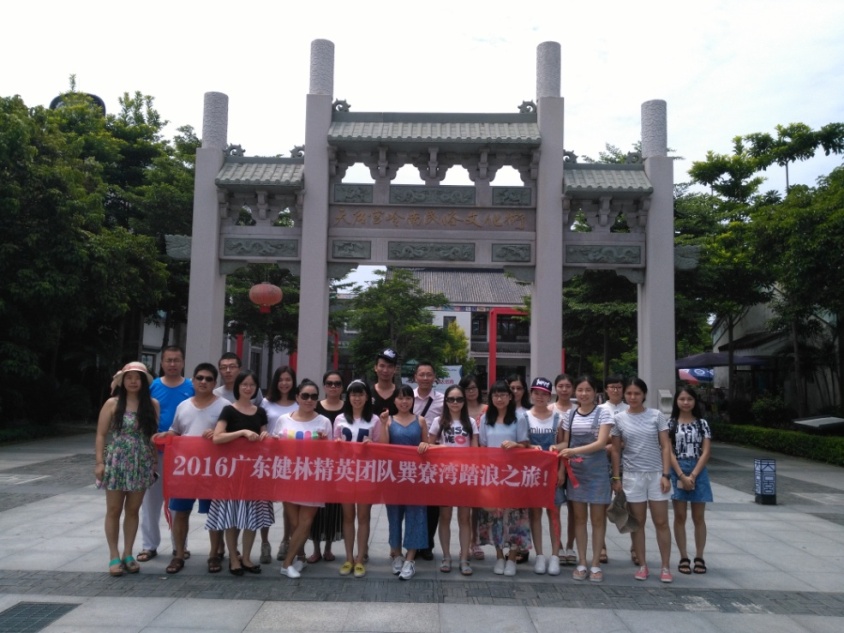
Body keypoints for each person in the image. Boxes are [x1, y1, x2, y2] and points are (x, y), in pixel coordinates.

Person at [152, 363, 227, 574]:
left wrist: (218, 435)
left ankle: (214, 554)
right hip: (185, 469)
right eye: (200, 378)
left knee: (214, 513)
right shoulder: (183, 406)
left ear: (215, 383)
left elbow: (230, 435)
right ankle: (178, 554)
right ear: (192, 380)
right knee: (181, 512)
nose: (203, 382)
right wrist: (165, 436)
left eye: (209, 379)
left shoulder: (224, 406)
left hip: (213, 469)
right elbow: (176, 431)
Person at [205, 370, 274, 576]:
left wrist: (266, 437)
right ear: (238, 387)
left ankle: (246, 557)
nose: (248, 388)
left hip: (254, 471)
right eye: (244, 384)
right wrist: (242, 433)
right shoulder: (228, 410)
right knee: (232, 516)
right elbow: (217, 437)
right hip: (232, 472)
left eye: (252, 385)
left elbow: (264, 436)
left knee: (252, 517)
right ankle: (234, 559)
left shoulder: (260, 412)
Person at [94, 361, 159, 576]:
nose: (133, 381)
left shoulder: (152, 405)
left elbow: (152, 436)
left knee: (133, 510)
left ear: (143, 382)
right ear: (122, 381)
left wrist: (154, 462)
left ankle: (128, 553)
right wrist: (100, 462)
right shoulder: (112, 404)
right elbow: (101, 434)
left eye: (137, 378)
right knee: (114, 509)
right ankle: (114, 554)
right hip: (117, 460)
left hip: (141, 461)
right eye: (129, 377)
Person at [611, 377, 673, 583]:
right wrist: (616, 477)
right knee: (637, 523)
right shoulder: (619, 419)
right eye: (629, 393)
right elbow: (616, 450)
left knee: (661, 522)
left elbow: (665, 446)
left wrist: (666, 474)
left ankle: (665, 567)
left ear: (644, 395)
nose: (633, 397)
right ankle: (643, 565)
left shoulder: (656, 416)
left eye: (637, 393)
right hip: (632, 476)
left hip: (656, 475)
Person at [137, 346, 194, 564]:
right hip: (155, 453)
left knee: (179, 503)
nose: (172, 364)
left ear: (182, 362)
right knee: (151, 502)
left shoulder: (191, 387)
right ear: (161, 363)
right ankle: (149, 545)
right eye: (168, 360)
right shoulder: (152, 387)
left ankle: (180, 546)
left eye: (176, 360)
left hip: (182, 455)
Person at [558, 375, 614, 583]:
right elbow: (566, 442)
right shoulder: (570, 415)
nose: (583, 394)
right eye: (580, 390)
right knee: (579, 519)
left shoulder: (603, 412)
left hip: (598, 472)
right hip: (576, 473)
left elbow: (601, 443)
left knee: (598, 520)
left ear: (595, 392)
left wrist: (573, 451)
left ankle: (596, 564)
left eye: (588, 390)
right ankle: (582, 562)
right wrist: (553, 449)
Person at [276, 379, 334, 579]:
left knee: (305, 522)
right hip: (288, 477)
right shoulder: (283, 419)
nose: (309, 400)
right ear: (297, 398)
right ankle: (300, 557)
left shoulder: (324, 422)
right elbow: (275, 446)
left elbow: (330, 452)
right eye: (305, 396)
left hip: (313, 477)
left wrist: (325, 442)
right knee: (294, 523)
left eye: (314, 396)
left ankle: (286, 563)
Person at [476, 380, 531, 577]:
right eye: (495, 395)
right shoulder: (485, 418)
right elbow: (482, 446)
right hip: (492, 474)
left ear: (510, 397)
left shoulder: (519, 417)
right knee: (495, 516)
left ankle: (513, 556)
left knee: (515, 517)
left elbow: (526, 445)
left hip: (513, 475)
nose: (499, 399)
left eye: (503, 395)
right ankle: (499, 555)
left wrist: (516, 445)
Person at [377, 383, 430, 581]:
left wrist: (425, 444)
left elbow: (427, 446)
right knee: (394, 516)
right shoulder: (388, 420)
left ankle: (410, 559)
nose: (404, 401)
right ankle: (397, 554)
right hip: (394, 477)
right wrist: (383, 424)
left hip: (415, 477)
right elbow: (383, 447)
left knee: (416, 516)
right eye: (400, 398)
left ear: (412, 401)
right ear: (395, 401)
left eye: (408, 398)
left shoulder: (420, 420)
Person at [429, 384, 479, 576]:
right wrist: (442, 448)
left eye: (459, 399)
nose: (455, 403)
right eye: (451, 399)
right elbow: (428, 446)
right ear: (446, 401)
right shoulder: (438, 421)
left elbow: (475, 451)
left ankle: (464, 557)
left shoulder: (471, 422)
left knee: (464, 518)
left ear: (464, 401)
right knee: (445, 517)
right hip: (445, 476)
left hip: (465, 476)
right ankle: (446, 556)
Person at [333, 379, 377, 577]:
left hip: (366, 473)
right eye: (353, 394)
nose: (357, 398)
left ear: (367, 397)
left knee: (364, 516)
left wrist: (372, 445)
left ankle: (360, 558)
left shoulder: (374, 420)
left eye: (360, 394)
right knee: (348, 516)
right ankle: (349, 557)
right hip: (346, 473)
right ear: (348, 397)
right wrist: (336, 443)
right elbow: (333, 446)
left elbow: (382, 445)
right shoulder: (340, 419)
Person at [668, 386, 713, 575]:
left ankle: (700, 556)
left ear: (695, 402)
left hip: (698, 470)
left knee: (698, 517)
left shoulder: (702, 424)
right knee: (680, 516)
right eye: (682, 399)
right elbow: (668, 452)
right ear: (676, 401)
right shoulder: (670, 424)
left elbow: (706, 451)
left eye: (689, 399)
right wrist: (681, 475)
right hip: (677, 469)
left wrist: (693, 475)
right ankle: (683, 556)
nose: (686, 402)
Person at [524, 377, 564, 576]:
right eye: (536, 393)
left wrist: (561, 469)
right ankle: (539, 555)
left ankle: (555, 555)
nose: (540, 397)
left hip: (553, 470)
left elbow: (566, 444)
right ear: (531, 394)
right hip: (532, 472)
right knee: (535, 514)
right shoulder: (524, 417)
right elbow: (521, 443)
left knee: (554, 513)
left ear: (550, 396)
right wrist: (531, 447)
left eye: (544, 394)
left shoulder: (558, 418)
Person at [259, 365, 298, 563]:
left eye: (288, 379)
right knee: (264, 502)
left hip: (291, 459)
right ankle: (264, 543)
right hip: (267, 458)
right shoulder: (266, 402)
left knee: (289, 502)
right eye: (281, 379)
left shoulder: (298, 402)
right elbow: (261, 426)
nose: (284, 383)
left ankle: (286, 541)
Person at [308, 370, 345, 564]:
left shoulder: (347, 408)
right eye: (329, 383)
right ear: (324, 386)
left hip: (339, 466)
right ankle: (315, 549)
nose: (333, 387)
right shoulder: (316, 406)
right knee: (315, 507)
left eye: (337, 384)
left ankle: (329, 548)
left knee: (333, 508)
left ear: (342, 387)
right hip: (316, 465)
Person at [413, 361, 444, 561]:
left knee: (432, 504)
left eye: (429, 374)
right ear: (415, 377)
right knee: (414, 503)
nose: (425, 378)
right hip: (411, 456)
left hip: (434, 456)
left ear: (434, 377)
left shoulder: (442, 400)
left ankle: (427, 544)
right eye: (421, 374)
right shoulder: (408, 397)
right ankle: (414, 542)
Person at [598, 374, 628, 565]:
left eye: (619, 387)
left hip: (628, 463)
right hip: (602, 462)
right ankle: (601, 546)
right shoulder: (600, 410)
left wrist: (613, 442)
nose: (615, 390)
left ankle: (635, 546)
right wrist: (612, 442)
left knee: (631, 506)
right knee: (600, 506)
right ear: (606, 389)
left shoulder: (630, 409)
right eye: (612, 387)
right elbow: (595, 438)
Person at [459, 374, 487, 562]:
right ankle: (465, 544)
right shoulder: (458, 409)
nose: (471, 392)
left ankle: (475, 541)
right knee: (463, 507)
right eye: (467, 388)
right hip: (460, 464)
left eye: (474, 388)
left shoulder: (487, 409)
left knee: (477, 506)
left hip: (483, 462)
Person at [505, 373, 532, 564]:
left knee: (521, 511)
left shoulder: (528, 412)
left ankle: (521, 548)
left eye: (519, 388)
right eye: (511, 388)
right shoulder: (496, 410)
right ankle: (505, 548)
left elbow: (527, 441)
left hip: (522, 468)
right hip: (501, 469)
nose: (515, 392)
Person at [552, 373, 577, 566]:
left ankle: (570, 545)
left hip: (578, 465)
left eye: (568, 386)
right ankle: (558, 545)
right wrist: (560, 468)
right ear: (555, 388)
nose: (564, 389)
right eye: (561, 386)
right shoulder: (549, 410)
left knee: (575, 509)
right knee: (555, 508)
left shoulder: (579, 410)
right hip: (555, 465)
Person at [371, 348, 399, 416]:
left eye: (390, 366)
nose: (385, 370)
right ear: (375, 368)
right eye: (382, 366)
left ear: (395, 369)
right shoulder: (367, 393)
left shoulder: (401, 394)